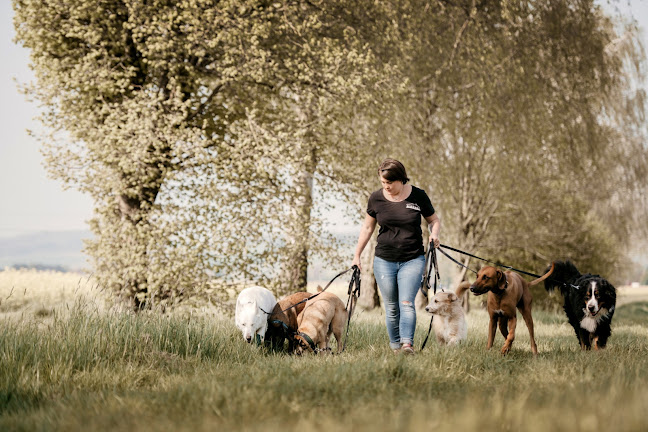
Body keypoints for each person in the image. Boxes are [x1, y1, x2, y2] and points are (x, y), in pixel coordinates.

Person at [352, 158, 441, 354]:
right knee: (392, 307)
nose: (386, 187)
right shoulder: (376, 198)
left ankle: (407, 345)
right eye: (383, 183)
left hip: (413, 259)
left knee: (406, 302)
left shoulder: (418, 196)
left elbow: (433, 220)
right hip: (384, 260)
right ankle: (395, 348)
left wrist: (434, 234)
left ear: (401, 179)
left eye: (389, 182)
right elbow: (368, 228)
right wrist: (357, 255)